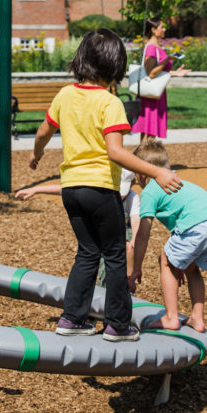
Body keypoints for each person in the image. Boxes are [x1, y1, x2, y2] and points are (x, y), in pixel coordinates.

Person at [30, 28, 183, 342]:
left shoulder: (64, 94)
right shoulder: (109, 103)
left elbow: (44, 130)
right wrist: (157, 173)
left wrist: (36, 153)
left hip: (71, 189)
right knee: (114, 255)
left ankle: (72, 318)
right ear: (116, 67)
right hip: (100, 188)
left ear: (82, 59)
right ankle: (118, 325)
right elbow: (115, 151)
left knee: (87, 252)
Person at [127, 140, 207, 333]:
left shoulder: (151, 189)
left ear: (142, 173)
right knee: (192, 268)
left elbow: (143, 235)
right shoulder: (177, 180)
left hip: (198, 224)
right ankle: (197, 318)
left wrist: (136, 268)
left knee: (165, 259)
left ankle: (171, 317)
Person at [15, 168, 142, 288]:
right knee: (93, 258)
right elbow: (63, 189)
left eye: (123, 191)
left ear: (131, 185)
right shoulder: (101, 192)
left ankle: (124, 284)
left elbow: (136, 220)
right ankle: (102, 289)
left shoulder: (132, 198)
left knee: (123, 250)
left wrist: (135, 240)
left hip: (120, 232)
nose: (120, 195)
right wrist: (37, 189)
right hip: (101, 231)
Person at [130, 18, 190, 142]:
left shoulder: (157, 46)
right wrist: (167, 59)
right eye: (161, 27)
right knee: (149, 134)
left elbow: (158, 72)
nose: (164, 29)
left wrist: (175, 73)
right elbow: (151, 73)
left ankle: (146, 159)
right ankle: (145, 159)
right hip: (150, 96)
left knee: (151, 134)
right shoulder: (151, 48)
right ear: (153, 30)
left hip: (156, 93)